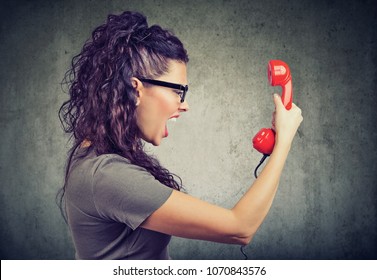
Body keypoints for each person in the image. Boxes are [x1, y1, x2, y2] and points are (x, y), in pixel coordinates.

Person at [57, 11, 303, 260]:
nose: (184, 105)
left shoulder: (98, 154)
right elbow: (240, 228)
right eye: (178, 91)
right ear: (136, 90)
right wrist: (283, 141)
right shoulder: (107, 175)